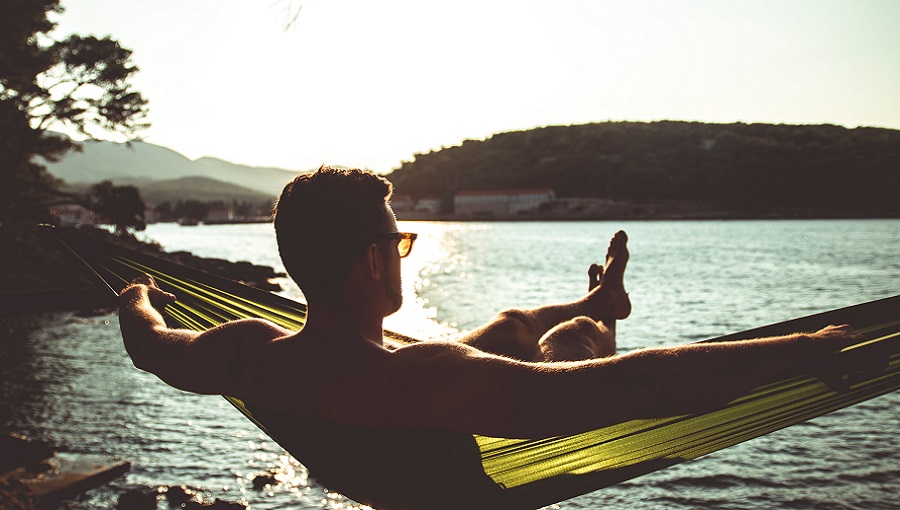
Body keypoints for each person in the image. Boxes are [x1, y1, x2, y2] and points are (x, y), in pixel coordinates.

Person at [118, 166, 863, 441]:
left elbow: (151, 343)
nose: (402, 254)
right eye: (400, 242)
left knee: (506, 324)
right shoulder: (432, 374)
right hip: (451, 438)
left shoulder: (246, 350)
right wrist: (805, 349)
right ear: (374, 258)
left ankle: (600, 293)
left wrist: (135, 289)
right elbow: (645, 380)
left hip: (367, 389)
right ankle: (593, 311)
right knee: (570, 338)